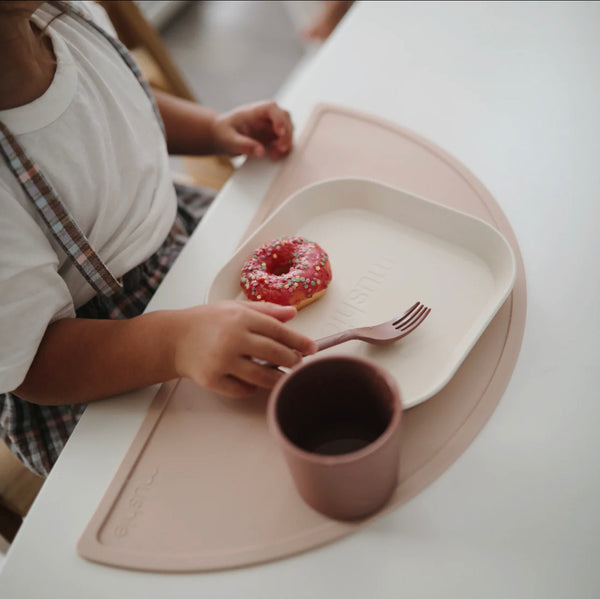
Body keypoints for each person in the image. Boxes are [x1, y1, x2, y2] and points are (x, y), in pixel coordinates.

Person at [0, 0, 317, 477]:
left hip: (179, 233)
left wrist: (211, 129)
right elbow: (36, 365)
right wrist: (175, 344)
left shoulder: (65, 16)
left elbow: (113, 99)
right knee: (242, 471)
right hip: (95, 361)